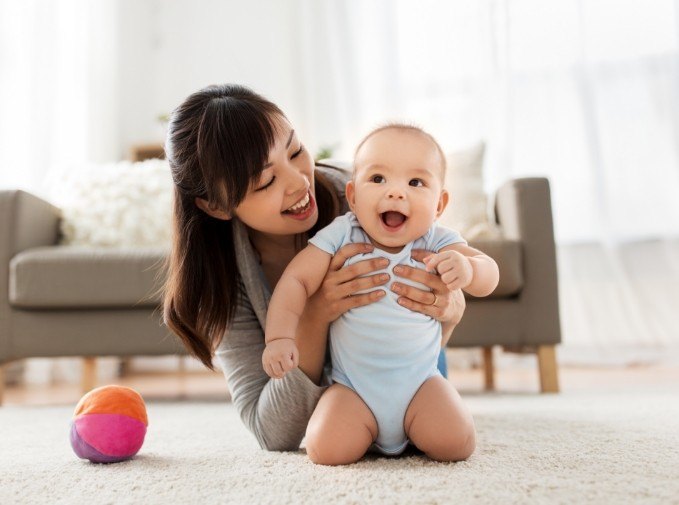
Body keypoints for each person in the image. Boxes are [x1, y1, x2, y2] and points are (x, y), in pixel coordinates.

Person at [162, 84, 468, 455]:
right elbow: (271, 432)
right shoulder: (222, 278)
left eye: (295, 151)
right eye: (266, 181)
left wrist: (450, 310)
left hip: (417, 377)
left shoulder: (366, 201)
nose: (298, 182)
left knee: (447, 434)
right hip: (344, 409)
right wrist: (314, 316)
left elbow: (444, 286)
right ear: (216, 206)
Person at [263, 124, 499, 464]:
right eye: (378, 179)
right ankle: (368, 430)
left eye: (416, 182)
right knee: (325, 450)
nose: (396, 193)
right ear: (354, 196)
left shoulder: (436, 239)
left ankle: (415, 426)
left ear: (440, 204)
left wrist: (470, 269)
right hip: (352, 389)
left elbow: (488, 271)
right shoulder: (342, 234)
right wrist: (279, 338)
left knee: (456, 443)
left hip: (421, 384)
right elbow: (296, 281)